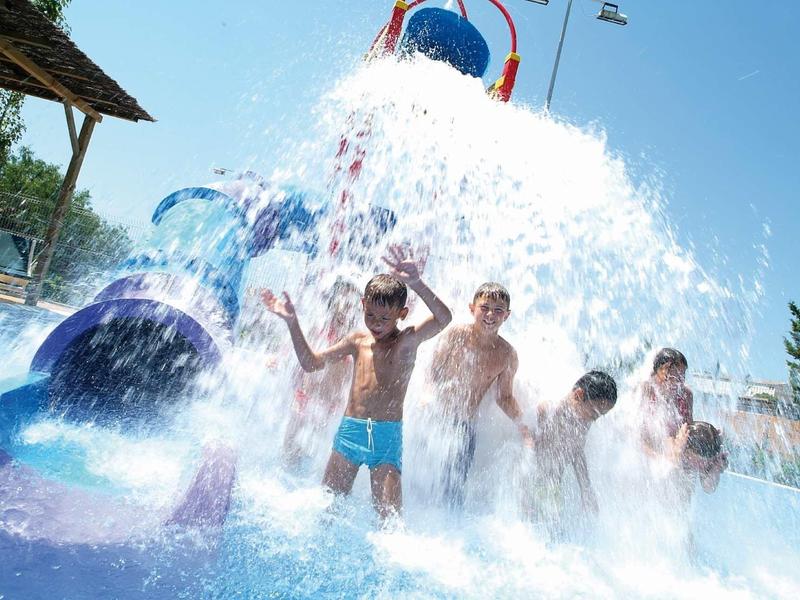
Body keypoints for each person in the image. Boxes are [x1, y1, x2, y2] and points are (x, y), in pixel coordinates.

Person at [262, 244, 452, 520]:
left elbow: (444, 319)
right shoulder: (356, 342)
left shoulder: (406, 342)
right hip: (350, 433)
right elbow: (310, 363)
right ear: (362, 305)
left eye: (386, 318)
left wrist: (417, 283)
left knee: (390, 524)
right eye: (370, 315)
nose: (376, 323)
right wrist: (292, 323)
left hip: (386, 438)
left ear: (402, 313)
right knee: (326, 514)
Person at [427, 282, 533, 509]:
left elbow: (504, 397)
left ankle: (447, 530)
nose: (490, 315)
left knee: (452, 492)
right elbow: (432, 373)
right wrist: (426, 396)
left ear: (507, 315)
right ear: (472, 308)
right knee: (423, 480)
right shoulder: (456, 335)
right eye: (485, 307)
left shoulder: (507, 355)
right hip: (435, 419)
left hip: (465, 427)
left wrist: (523, 426)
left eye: (498, 310)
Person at [282, 278, 361, 471]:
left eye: (350, 304)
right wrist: (279, 359)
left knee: (317, 463)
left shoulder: (357, 341)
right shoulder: (318, 330)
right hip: (304, 400)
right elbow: (296, 356)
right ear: (331, 303)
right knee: (289, 456)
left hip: (331, 410)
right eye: (340, 302)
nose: (344, 309)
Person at [525, 371, 617, 525]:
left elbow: (577, 451)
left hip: (553, 486)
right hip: (529, 483)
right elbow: (526, 447)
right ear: (579, 395)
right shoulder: (548, 410)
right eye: (595, 414)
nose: (594, 420)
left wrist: (586, 489)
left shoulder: (583, 421)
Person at [640, 348, 693, 459]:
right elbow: (639, 437)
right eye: (671, 377)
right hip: (650, 446)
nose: (677, 382)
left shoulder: (686, 394)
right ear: (657, 373)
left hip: (673, 445)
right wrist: (659, 459)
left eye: (681, 377)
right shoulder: (646, 390)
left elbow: (687, 430)